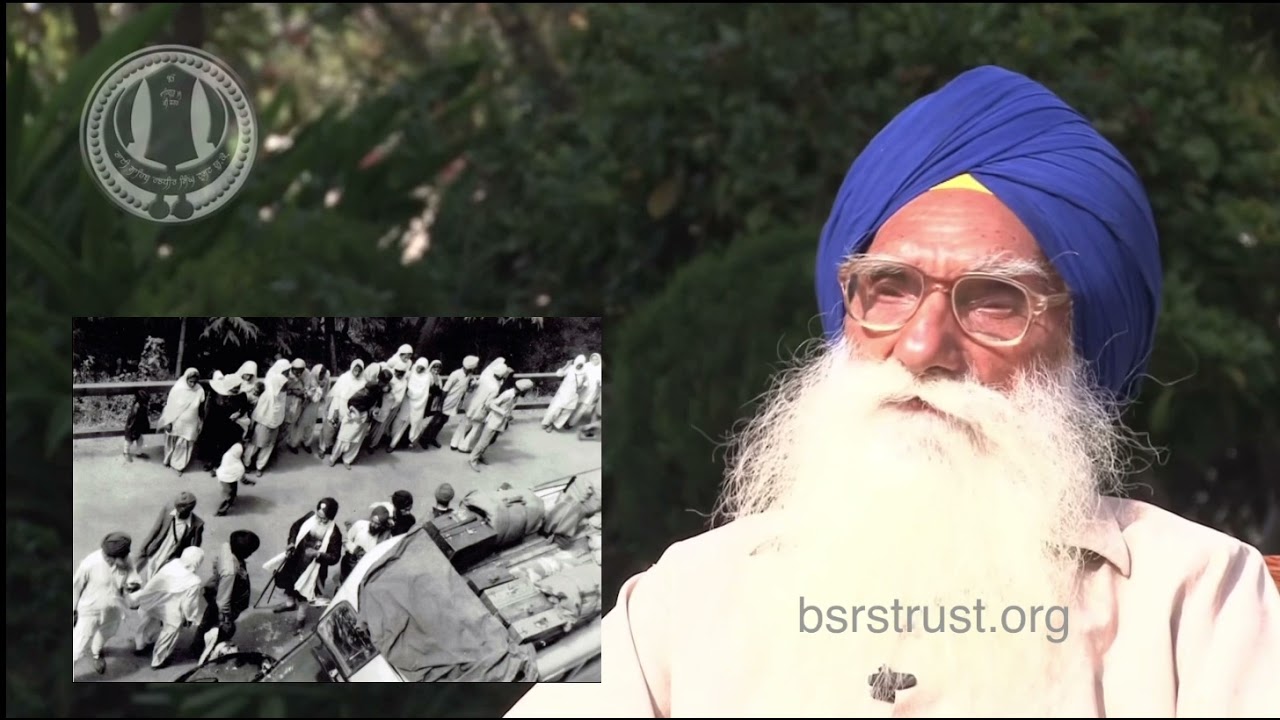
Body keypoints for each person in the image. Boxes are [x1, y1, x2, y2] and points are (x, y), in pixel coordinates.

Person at [503, 66, 1280, 717]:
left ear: (1083, 343)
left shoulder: (1195, 600)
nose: (921, 348)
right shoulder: (691, 596)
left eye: (994, 301)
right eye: (889, 288)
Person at [269, 498, 343, 634]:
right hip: (296, 558)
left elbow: (334, 557)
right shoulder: (310, 517)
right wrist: (291, 542)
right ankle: (289, 604)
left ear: (331, 517)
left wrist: (318, 554)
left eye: (324, 519)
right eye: (318, 516)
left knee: (304, 594)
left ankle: (300, 619)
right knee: (288, 583)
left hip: (314, 569)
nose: (320, 520)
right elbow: (295, 528)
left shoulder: (334, 534)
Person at [128, 546, 205, 670]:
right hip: (171, 608)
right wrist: (190, 617)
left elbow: (155, 581)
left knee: (148, 622)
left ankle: (141, 645)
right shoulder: (194, 581)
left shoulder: (172, 564)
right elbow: (188, 604)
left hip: (152, 600)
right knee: (170, 632)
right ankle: (158, 660)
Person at [73, 532, 139, 676]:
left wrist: (132, 586)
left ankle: (96, 653)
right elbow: (76, 587)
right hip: (90, 610)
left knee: (106, 633)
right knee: (77, 645)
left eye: (113, 558)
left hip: (114, 609)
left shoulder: (128, 560)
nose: (109, 560)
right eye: (107, 556)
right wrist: (73, 610)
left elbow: (134, 579)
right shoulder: (89, 563)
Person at [191, 530, 260, 660]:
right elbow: (223, 601)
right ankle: (208, 652)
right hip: (226, 601)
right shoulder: (230, 572)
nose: (250, 554)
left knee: (206, 623)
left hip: (216, 592)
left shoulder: (226, 547)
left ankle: (197, 647)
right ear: (242, 552)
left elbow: (216, 564)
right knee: (220, 630)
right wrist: (226, 620)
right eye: (250, 552)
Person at [136, 491, 204, 584]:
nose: (178, 512)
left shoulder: (197, 524)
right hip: (159, 548)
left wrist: (187, 566)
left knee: (162, 576)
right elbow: (155, 529)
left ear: (188, 509)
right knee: (151, 568)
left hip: (174, 555)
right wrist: (144, 546)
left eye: (182, 509)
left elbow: (194, 549)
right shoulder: (168, 509)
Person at [469, 378, 534, 471]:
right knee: (484, 441)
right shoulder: (508, 394)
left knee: (491, 441)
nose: (527, 393)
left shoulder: (515, 396)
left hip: (501, 422)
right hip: (493, 421)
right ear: (522, 389)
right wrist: (504, 413)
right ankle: (472, 459)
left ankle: (480, 455)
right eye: (527, 391)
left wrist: (508, 416)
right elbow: (491, 404)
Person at [197, 368, 254, 473]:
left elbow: (245, 407)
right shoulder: (217, 392)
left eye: (238, 388)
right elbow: (209, 406)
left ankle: (219, 464)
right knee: (212, 442)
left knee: (225, 444)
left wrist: (238, 413)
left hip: (230, 423)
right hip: (215, 420)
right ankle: (211, 462)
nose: (236, 391)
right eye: (234, 389)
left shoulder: (241, 395)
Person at [244, 359, 291, 478]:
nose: (285, 389)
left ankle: (260, 466)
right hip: (263, 423)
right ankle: (247, 463)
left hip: (275, 424)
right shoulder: (267, 396)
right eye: (283, 387)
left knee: (268, 446)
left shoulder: (282, 395)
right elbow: (258, 413)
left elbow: (281, 410)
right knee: (254, 444)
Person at [157, 368, 205, 476]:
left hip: (190, 423)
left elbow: (201, 408)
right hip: (176, 421)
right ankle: (168, 460)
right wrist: (168, 422)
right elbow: (170, 407)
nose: (192, 384)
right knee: (172, 441)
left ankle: (178, 465)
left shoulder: (199, 390)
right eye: (190, 381)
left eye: (194, 382)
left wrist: (200, 421)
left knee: (185, 443)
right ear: (186, 379)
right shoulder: (178, 389)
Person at [426, 355, 477, 448]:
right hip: (446, 401)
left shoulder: (469, 375)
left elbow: (465, 389)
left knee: (443, 422)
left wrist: (472, 386)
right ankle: (424, 439)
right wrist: (440, 405)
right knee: (436, 421)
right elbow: (445, 390)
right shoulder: (456, 374)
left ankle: (432, 438)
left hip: (455, 403)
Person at [389, 358, 433, 451]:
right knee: (397, 421)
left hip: (416, 406)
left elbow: (426, 390)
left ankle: (392, 445)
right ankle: (391, 439)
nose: (419, 369)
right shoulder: (410, 373)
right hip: (406, 402)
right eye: (419, 367)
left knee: (405, 425)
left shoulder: (426, 377)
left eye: (422, 368)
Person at [340, 506, 393, 583]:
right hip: (350, 563)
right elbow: (346, 539)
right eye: (372, 521)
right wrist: (355, 550)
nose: (373, 525)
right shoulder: (360, 525)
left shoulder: (385, 537)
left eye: (377, 524)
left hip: (367, 570)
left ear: (383, 525)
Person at [541, 355, 585, 432]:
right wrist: (566, 365)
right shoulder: (570, 368)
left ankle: (555, 425)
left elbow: (585, 383)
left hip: (573, 395)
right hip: (563, 393)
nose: (579, 366)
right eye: (578, 363)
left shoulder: (584, 372)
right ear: (575, 362)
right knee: (555, 409)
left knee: (566, 412)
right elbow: (559, 374)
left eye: (581, 364)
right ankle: (547, 423)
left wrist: (581, 388)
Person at [214, 443, 246, 516]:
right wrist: (247, 481)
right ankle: (221, 511)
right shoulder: (239, 466)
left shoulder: (227, 455)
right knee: (229, 495)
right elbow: (241, 477)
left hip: (223, 478)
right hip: (231, 479)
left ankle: (230, 500)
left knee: (228, 492)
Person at [122, 390, 152, 463]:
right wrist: (132, 431)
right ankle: (126, 452)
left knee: (140, 440)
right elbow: (132, 421)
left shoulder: (142, 406)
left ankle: (138, 453)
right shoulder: (136, 408)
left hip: (138, 427)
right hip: (131, 428)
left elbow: (144, 417)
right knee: (128, 441)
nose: (147, 403)